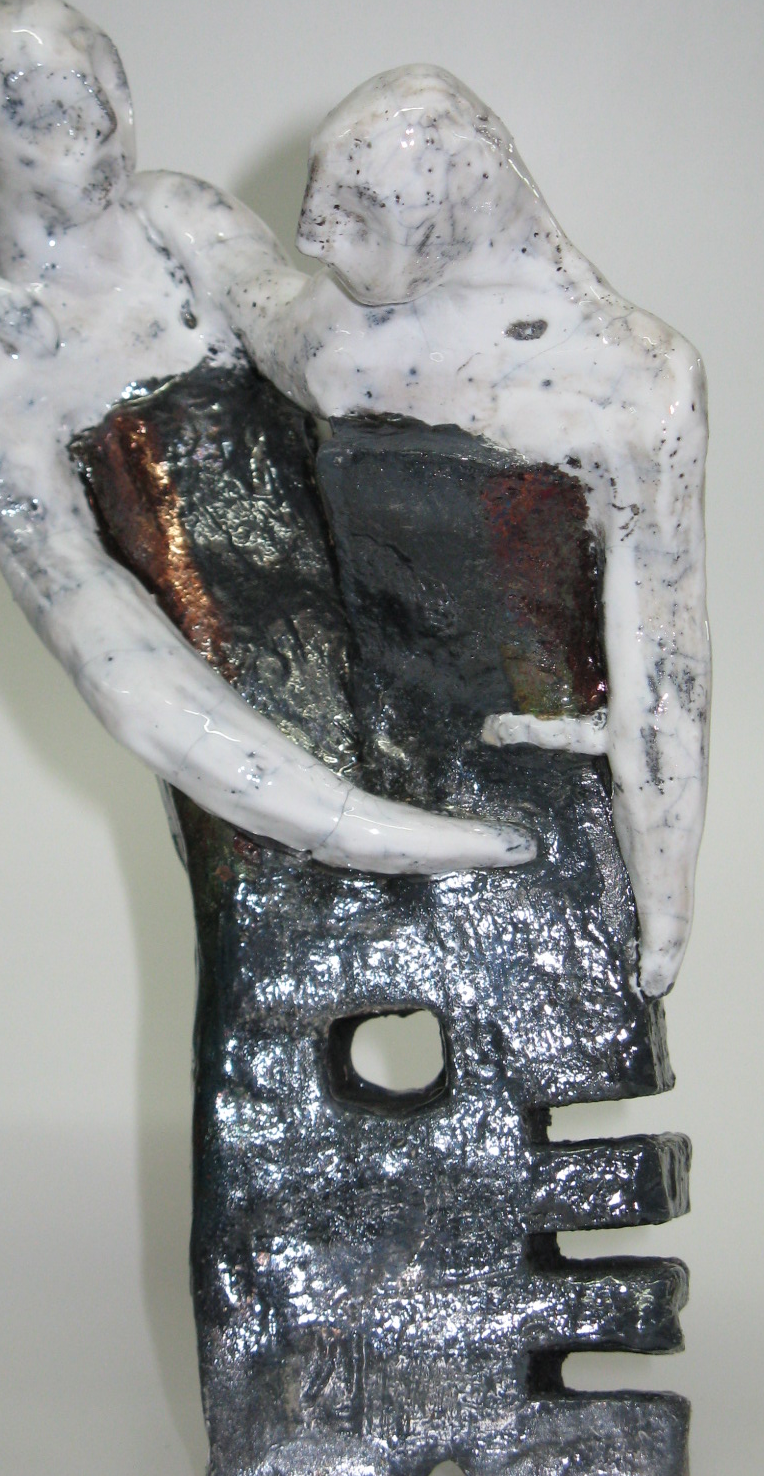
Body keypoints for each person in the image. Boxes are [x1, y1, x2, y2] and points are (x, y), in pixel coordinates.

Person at [0, 0, 532, 877]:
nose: (102, 124)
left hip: (386, 638)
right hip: (240, 748)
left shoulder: (178, 219)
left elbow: (316, 357)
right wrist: (342, 823)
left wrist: (421, 228)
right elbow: (93, 625)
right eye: (47, 110)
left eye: (110, 85)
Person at [163, 65, 710, 996]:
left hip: (539, 785)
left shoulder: (630, 382)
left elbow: (664, 638)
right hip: (358, 753)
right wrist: (169, 209)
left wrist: (665, 883)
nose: (313, 233)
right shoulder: (336, 339)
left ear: (466, 204)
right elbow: (246, 286)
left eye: (358, 210)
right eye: (318, 196)